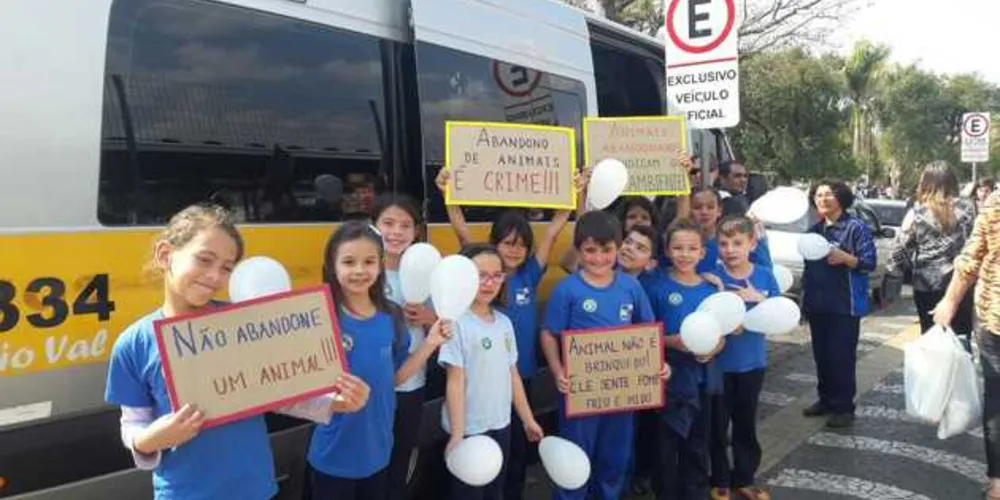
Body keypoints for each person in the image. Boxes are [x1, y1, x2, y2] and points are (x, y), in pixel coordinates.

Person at [104, 204, 370, 500]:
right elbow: (132, 425)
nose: (214, 276)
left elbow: (277, 393)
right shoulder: (134, 343)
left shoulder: (238, 324)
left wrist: (334, 402)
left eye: (226, 268)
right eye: (204, 260)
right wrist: (150, 440)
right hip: (183, 493)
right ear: (165, 255)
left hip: (254, 488)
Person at [435, 168, 576, 500]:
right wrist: (447, 194)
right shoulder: (483, 271)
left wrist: (569, 199)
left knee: (513, 453)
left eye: (522, 245)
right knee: (476, 467)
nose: (514, 251)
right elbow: (462, 232)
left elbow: (553, 234)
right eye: (508, 243)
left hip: (518, 379)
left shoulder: (529, 273)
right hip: (479, 385)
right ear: (493, 245)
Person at [307, 221, 451, 500]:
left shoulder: (391, 317)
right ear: (332, 266)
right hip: (332, 455)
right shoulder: (321, 317)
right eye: (349, 262)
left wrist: (431, 342)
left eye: (369, 261)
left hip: (378, 452)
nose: (359, 270)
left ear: (380, 265)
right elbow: (303, 391)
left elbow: (394, 377)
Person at [540, 210, 662, 500]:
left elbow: (647, 333)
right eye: (590, 251)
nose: (598, 258)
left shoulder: (630, 287)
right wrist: (558, 372)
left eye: (606, 250)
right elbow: (548, 333)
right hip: (580, 394)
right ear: (580, 250)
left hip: (622, 395)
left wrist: (658, 367)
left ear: (618, 247)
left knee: (614, 457)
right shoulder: (568, 289)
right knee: (575, 459)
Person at [440, 244, 545, 500]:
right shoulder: (455, 323)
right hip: (469, 429)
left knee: (495, 491)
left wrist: (528, 419)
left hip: (501, 424)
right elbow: (455, 381)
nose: (489, 283)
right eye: (480, 275)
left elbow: (513, 376)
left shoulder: (504, 323)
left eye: (496, 275)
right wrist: (457, 433)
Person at [643, 218, 724, 500]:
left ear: (702, 252)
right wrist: (672, 342)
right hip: (666, 381)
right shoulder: (655, 287)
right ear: (666, 250)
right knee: (665, 449)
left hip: (701, 380)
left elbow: (721, 334)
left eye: (692, 248)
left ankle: (697, 494)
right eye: (677, 248)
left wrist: (710, 349)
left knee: (697, 445)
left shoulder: (711, 289)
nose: (684, 254)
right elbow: (643, 334)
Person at [371, 194, 445, 500]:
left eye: (405, 225)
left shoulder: (428, 272)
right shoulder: (364, 272)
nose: (396, 232)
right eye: (387, 223)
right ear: (372, 227)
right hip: (370, 385)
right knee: (370, 462)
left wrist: (429, 318)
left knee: (401, 457)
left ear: (416, 232)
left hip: (411, 383)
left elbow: (444, 326)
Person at [934, 190, 1000, 499]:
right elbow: (973, 256)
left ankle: (998, 482)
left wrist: (950, 300)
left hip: (994, 316)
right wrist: (949, 300)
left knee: (998, 399)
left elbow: (972, 256)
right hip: (995, 319)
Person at [708, 216, 780, 500]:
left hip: (753, 364)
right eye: (723, 243)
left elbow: (780, 314)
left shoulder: (763, 275)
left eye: (737, 243)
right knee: (717, 424)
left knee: (745, 423)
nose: (730, 249)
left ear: (751, 243)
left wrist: (759, 300)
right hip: (718, 365)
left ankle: (745, 477)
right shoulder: (712, 275)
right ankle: (720, 478)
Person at [800, 180, 877, 429]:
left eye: (828, 195)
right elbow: (808, 269)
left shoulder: (855, 228)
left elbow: (869, 263)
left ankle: (843, 407)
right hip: (818, 304)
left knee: (841, 358)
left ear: (841, 198)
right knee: (821, 356)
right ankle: (825, 400)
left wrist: (846, 258)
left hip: (845, 306)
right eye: (818, 195)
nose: (822, 199)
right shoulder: (813, 231)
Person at [885, 163, 975, 347]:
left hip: (926, 285)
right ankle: (959, 374)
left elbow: (899, 250)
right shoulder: (968, 209)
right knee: (960, 337)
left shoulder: (917, 213)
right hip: (961, 283)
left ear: (925, 183)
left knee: (931, 336)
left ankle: (933, 374)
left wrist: (890, 286)